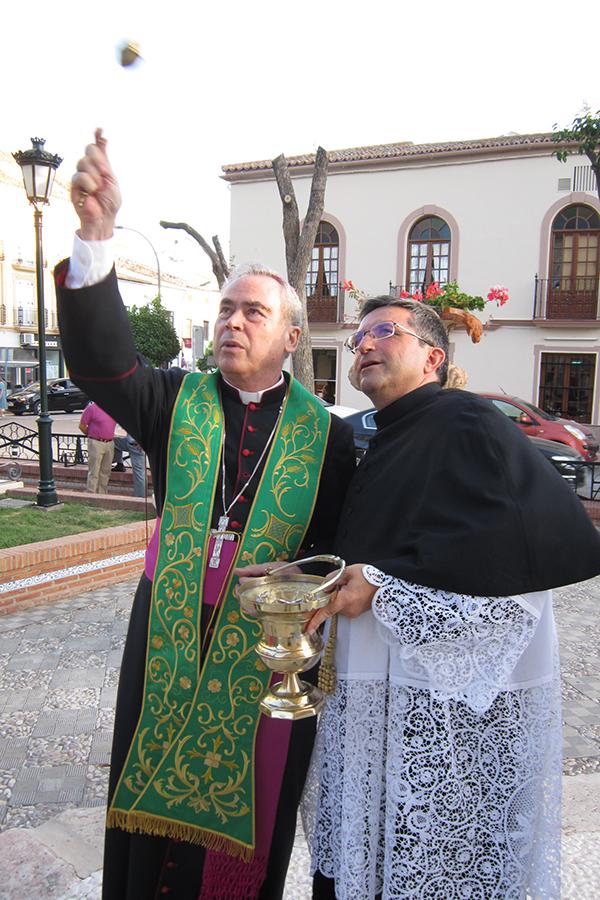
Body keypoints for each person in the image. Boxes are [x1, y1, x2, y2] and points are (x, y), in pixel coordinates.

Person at [55, 129, 356, 900]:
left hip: (266, 643)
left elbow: (345, 543)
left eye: (252, 312)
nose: (231, 322)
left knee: (250, 805)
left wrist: (308, 575)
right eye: (225, 309)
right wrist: (95, 236)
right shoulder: (173, 399)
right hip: (170, 618)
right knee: (148, 788)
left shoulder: (329, 435)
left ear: (291, 337)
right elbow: (100, 361)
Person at [295, 296, 600, 899]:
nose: (364, 345)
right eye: (358, 339)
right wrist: (310, 569)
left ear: (433, 356)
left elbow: (515, 561)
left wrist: (382, 591)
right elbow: (384, 546)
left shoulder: (467, 421)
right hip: (374, 709)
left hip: (445, 721)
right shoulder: (385, 435)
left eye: (384, 331)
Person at [79, 400, 116, 492]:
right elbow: (82, 426)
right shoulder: (91, 409)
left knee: (106, 471)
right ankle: (91, 493)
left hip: (110, 443)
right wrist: (91, 435)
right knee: (94, 470)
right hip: (96, 443)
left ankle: (102, 493)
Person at [113, 433, 147, 497]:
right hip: (130, 443)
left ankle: (140, 497)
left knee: (139, 473)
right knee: (114, 441)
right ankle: (120, 464)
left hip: (136, 446)